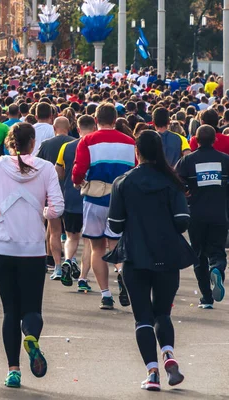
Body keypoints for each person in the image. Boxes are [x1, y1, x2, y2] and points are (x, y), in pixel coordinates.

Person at [0, 122, 64, 388]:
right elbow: (57, 208)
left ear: (10, 142)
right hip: (33, 246)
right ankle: (31, 335)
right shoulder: (46, 168)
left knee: (9, 309)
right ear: (33, 143)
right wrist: (42, 212)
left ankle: (13, 369)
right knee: (32, 306)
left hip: (2, 246)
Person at [106, 130, 196, 391]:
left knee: (142, 316)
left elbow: (115, 223)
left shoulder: (123, 182)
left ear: (137, 152)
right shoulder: (172, 181)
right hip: (167, 254)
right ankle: (168, 353)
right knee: (163, 313)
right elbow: (182, 221)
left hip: (135, 254)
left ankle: (152, 372)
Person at [72, 103, 136, 310]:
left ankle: (106, 294)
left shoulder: (87, 141)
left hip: (95, 198)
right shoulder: (129, 142)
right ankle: (123, 275)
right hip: (121, 199)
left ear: (96, 120)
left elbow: (79, 169)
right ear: (115, 120)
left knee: (97, 247)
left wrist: (78, 181)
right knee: (117, 246)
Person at [176, 125, 229, 308]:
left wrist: (186, 191)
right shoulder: (225, 160)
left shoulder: (187, 161)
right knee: (217, 250)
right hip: (219, 214)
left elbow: (176, 184)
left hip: (196, 215)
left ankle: (207, 298)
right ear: (215, 140)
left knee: (198, 255)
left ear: (196, 140)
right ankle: (217, 268)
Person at [55, 115, 96, 291]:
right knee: (88, 241)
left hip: (71, 195)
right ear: (94, 128)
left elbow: (58, 170)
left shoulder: (66, 146)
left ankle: (67, 261)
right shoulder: (96, 147)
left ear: (77, 129)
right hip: (91, 196)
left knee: (71, 236)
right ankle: (82, 278)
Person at [37, 116, 75, 279]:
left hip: (52, 192)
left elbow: (37, 166)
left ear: (54, 128)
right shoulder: (76, 143)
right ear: (70, 127)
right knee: (72, 234)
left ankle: (56, 266)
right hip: (72, 192)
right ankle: (70, 262)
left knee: (54, 231)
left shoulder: (46, 145)